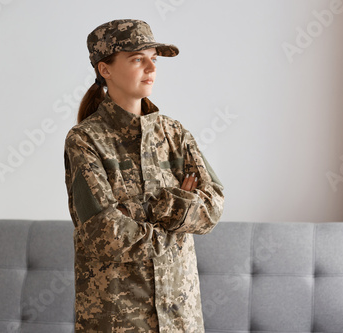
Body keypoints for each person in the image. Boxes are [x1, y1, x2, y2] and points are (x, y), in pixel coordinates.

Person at [63, 19, 225, 332]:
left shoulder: (174, 134)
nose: (151, 66)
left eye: (154, 57)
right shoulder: (85, 139)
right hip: (118, 318)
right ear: (105, 69)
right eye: (137, 58)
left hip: (181, 316)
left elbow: (212, 207)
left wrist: (143, 207)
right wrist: (175, 221)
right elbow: (104, 234)